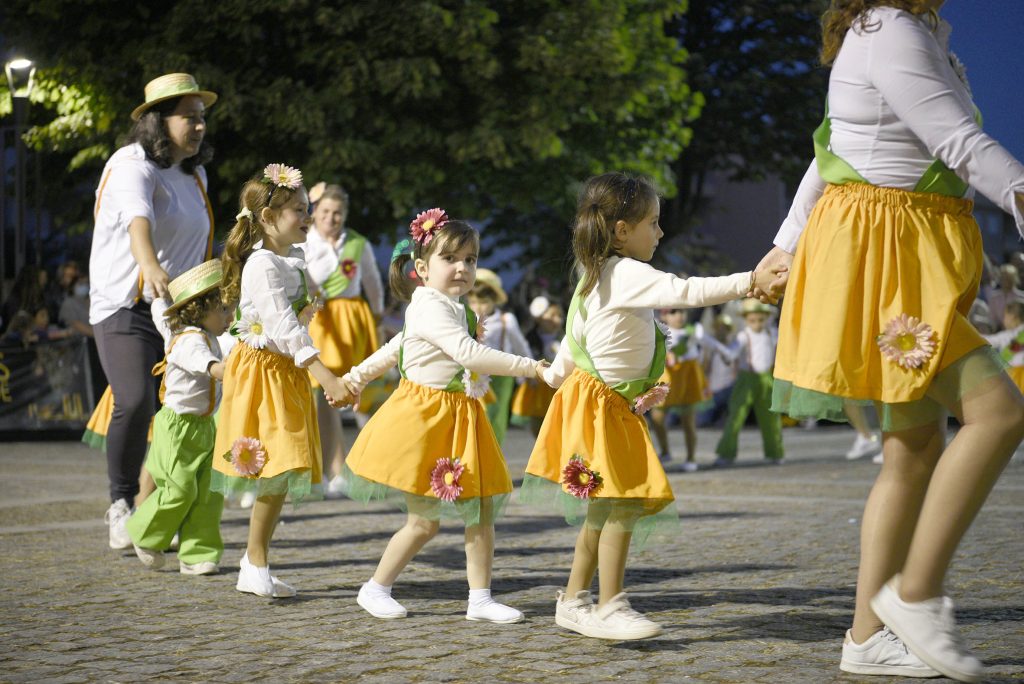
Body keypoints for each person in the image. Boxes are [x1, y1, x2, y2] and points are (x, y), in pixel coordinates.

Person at [753, 2, 1024, 679]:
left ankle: (867, 638)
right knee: (999, 413)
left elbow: (833, 145)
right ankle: (916, 595)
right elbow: (957, 141)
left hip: (903, 247)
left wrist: (785, 241)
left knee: (913, 450)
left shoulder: (907, 31)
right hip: (887, 253)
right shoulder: (890, 28)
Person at [521, 172, 780, 640]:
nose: (660, 232)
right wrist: (750, 280)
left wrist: (549, 374)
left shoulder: (592, 279)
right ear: (622, 231)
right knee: (622, 501)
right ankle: (610, 605)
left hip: (595, 404)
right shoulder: (625, 273)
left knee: (604, 508)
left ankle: (574, 600)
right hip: (603, 407)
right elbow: (686, 291)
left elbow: (571, 349)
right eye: (654, 223)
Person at [333, 209, 546, 623]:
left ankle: (480, 599)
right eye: (450, 259)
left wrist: (355, 377)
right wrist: (533, 367)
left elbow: (397, 345)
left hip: (459, 416)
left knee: (480, 510)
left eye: (470, 259)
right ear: (422, 268)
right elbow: (467, 353)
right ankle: (375, 588)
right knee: (423, 522)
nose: (462, 268)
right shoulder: (429, 306)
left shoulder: (452, 307)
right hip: (424, 418)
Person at [86, 72, 217, 550]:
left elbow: (195, 247)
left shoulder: (195, 175)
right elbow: (137, 221)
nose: (199, 126)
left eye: (202, 117)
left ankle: (156, 508)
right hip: (126, 304)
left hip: (178, 311)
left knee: (179, 410)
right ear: (158, 121)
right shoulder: (130, 165)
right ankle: (120, 503)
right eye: (188, 117)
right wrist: (149, 265)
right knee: (137, 399)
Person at [212, 163, 349, 598]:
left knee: (283, 469)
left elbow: (298, 319)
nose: (307, 216)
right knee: (281, 464)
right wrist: (325, 375)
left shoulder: (294, 258)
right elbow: (284, 327)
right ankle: (253, 561)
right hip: (263, 373)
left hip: (285, 371)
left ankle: (254, 561)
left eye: (307, 208)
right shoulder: (262, 264)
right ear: (268, 218)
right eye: (298, 210)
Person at [126, 260, 230, 575]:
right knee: (180, 490)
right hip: (177, 428)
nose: (230, 316)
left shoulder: (204, 333)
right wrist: (229, 370)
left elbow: (161, 314)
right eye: (224, 310)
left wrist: (158, 297)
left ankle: (197, 554)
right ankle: (145, 535)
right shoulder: (189, 341)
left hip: (205, 426)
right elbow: (207, 365)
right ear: (200, 309)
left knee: (209, 492)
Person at [302, 183, 384, 498]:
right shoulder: (304, 242)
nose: (331, 218)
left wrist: (377, 318)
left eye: (337, 212)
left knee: (349, 393)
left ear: (345, 214)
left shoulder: (358, 244)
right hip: (318, 322)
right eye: (325, 211)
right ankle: (328, 470)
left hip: (350, 324)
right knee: (320, 396)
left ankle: (347, 470)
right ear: (315, 212)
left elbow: (373, 283)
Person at [713, 299, 784, 466]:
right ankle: (726, 453)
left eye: (761, 320)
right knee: (736, 416)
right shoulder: (743, 336)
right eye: (752, 320)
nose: (757, 324)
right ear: (746, 320)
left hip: (767, 379)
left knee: (771, 418)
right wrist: (725, 353)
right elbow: (732, 352)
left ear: (766, 318)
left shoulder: (772, 333)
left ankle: (775, 452)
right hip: (746, 379)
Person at [467, 268, 533, 445]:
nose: (478, 306)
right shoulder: (466, 319)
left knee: (496, 418)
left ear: (494, 300)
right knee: (474, 416)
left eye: (483, 302)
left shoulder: (506, 320)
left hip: (501, 376)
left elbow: (521, 346)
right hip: (473, 374)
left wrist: (531, 371)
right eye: (473, 302)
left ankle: (493, 455)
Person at [648, 307, 706, 470]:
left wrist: (727, 354)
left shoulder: (693, 331)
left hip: (687, 379)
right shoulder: (660, 332)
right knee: (657, 417)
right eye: (673, 312)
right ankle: (665, 451)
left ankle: (691, 458)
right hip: (667, 378)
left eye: (682, 311)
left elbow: (710, 343)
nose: (679, 316)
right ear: (664, 315)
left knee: (688, 421)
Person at [511, 295, 563, 437]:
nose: (557, 320)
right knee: (538, 424)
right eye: (552, 315)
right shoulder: (530, 339)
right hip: (537, 387)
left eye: (559, 316)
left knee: (558, 423)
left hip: (558, 386)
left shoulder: (565, 338)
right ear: (539, 317)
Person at [697, 313, 737, 427]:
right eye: (719, 328)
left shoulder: (734, 346)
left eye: (724, 329)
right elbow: (704, 369)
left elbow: (736, 369)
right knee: (701, 422)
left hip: (729, 390)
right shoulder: (709, 348)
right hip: (712, 391)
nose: (721, 331)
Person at [982, 301, 1024, 394]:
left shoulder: (1007, 336)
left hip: (1014, 375)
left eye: (1005, 316)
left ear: (1012, 317)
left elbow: (986, 340)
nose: (1003, 320)